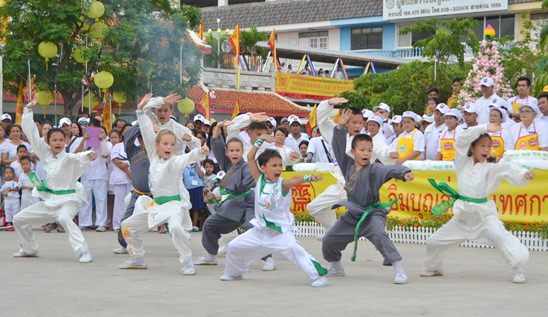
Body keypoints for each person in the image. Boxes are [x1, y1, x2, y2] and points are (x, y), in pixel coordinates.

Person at [421, 124, 534, 283]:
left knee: (499, 235)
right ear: (472, 147)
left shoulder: (491, 167)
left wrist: (523, 174)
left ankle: (518, 269)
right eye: (482, 145)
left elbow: (507, 168)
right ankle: (434, 267)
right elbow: (461, 140)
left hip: (484, 216)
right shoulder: (462, 162)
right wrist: (484, 127)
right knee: (433, 241)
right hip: (462, 217)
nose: (486, 149)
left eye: (489, 146)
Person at [119, 93, 209, 275]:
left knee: (175, 227)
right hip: (154, 205)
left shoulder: (175, 160)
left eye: (171, 144)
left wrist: (198, 147)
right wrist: (140, 110)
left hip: (174, 204)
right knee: (127, 227)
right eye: (164, 144)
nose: (168, 147)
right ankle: (138, 257)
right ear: (156, 144)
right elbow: (144, 125)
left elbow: (192, 154)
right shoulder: (153, 154)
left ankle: (188, 261)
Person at [323, 112, 414, 284]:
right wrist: (340, 128)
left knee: (379, 234)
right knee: (330, 239)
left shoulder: (374, 169)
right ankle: (336, 266)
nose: (366, 153)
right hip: (353, 214)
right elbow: (337, 146)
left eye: (369, 150)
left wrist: (404, 173)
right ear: (353, 151)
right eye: (362, 150)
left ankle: (399, 270)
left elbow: (389, 170)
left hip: (372, 213)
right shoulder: (347, 165)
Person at [221, 142, 329, 287]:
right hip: (259, 231)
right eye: (274, 165)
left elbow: (294, 180)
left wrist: (309, 177)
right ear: (263, 168)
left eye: (280, 165)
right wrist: (260, 140)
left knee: (295, 250)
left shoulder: (282, 184)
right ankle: (234, 273)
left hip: (280, 233)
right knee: (233, 246)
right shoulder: (258, 180)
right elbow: (251, 157)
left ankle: (317, 277)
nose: (278, 168)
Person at [13, 96, 97, 263]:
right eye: (54, 140)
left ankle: (83, 251)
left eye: (60, 140)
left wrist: (89, 155)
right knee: (19, 219)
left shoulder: (67, 157)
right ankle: (29, 248)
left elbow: (77, 157)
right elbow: (31, 134)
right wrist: (28, 111)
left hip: (68, 200)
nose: (58, 143)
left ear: (65, 141)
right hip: (49, 200)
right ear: (48, 142)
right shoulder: (45, 154)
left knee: (64, 218)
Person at [196, 122, 257, 267]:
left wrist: (234, 187)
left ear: (242, 152)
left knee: (254, 230)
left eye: (237, 150)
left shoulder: (247, 166)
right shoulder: (226, 164)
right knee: (209, 225)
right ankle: (211, 255)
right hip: (230, 208)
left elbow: (250, 181)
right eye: (231, 150)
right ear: (227, 152)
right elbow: (216, 142)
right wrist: (219, 127)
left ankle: (268, 259)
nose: (234, 153)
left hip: (247, 206)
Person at [79, 120, 112, 232]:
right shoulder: (83, 140)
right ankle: (84, 222)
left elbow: (104, 154)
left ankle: (101, 223)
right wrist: (84, 139)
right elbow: (76, 153)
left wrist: (101, 139)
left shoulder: (106, 143)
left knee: (101, 200)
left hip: (100, 174)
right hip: (86, 174)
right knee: (85, 199)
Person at [109, 129, 133, 232]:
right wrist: (126, 169)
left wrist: (129, 167)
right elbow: (115, 159)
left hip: (132, 178)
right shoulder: (117, 146)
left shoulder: (135, 145)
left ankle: (130, 225)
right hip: (120, 178)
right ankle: (118, 225)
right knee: (119, 203)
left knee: (131, 203)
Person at [184, 161, 206, 232]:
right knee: (187, 207)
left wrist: (196, 166)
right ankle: (187, 225)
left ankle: (194, 225)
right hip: (187, 189)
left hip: (197, 188)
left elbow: (202, 175)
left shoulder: (199, 165)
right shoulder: (183, 166)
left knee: (196, 208)